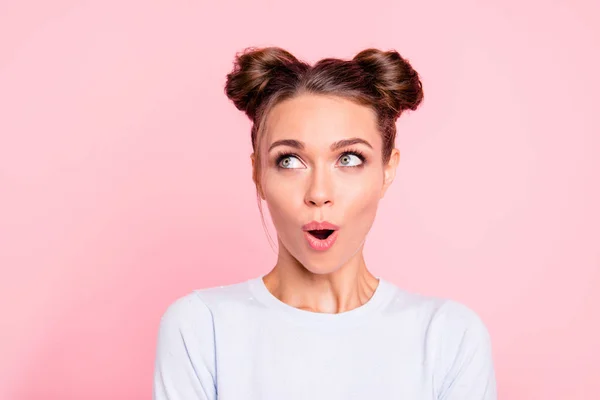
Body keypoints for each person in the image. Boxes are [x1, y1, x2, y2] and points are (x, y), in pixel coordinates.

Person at [152, 46, 497, 400]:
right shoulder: (200, 328)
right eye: (289, 160)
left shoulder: (448, 337)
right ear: (257, 173)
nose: (319, 193)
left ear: (387, 169)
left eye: (348, 158)